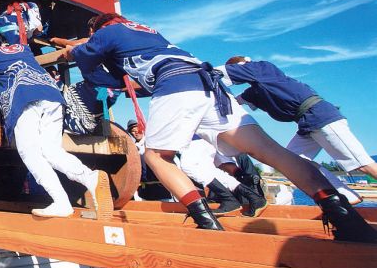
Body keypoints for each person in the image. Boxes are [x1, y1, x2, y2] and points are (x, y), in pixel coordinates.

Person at [65, 13, 376, 242]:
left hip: (176, 86)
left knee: (158, 157)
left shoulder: (108, 32)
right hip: (209, 88)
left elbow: (88, 59)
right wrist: (114, 80)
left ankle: (206, 223)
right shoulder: (149, 32)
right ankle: (343, 217)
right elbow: (135, 79)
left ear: (98, 28)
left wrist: (74, 52)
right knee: (270, 151)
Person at [0, 30, 112, 219]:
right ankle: (91, 178)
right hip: (52, 95)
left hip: (24, 96)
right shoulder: (24, 49)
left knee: (30, 153)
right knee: (52, 151)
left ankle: (61, 202)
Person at [220, 56, 376, 204]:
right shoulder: (254, 91)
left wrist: (199, 74)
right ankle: (346, 195)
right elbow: (234, 101)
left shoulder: (261, 68)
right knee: (294, 161)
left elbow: (220, 72)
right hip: (306, 123)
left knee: (361, 163)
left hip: (320, 116)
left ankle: (345, 195)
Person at [179, 136, 267, 216]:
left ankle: (229, 199)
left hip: (196, 137)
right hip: (206, 137)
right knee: (211, 170)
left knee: (189, 166)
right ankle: (253, 196)